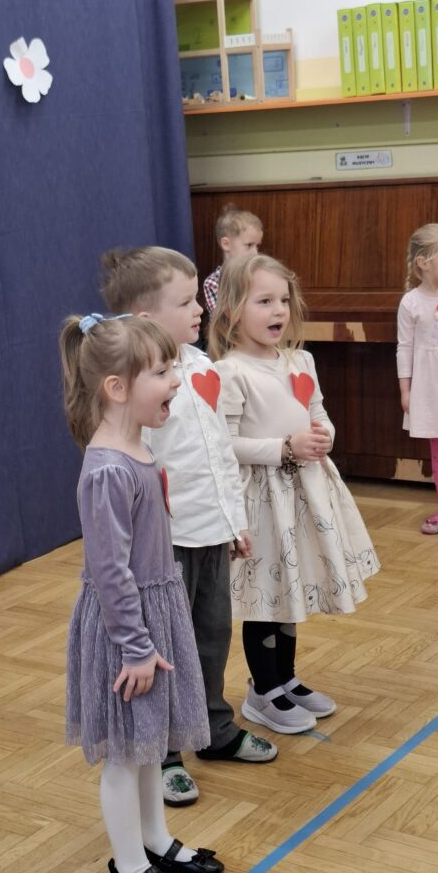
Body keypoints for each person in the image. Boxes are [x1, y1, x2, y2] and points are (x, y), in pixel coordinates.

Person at [101, 248, 277, 809]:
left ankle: (214, 729)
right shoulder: (137, 387)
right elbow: (135, 468)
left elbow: (219, 453)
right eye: (184, 302)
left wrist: (234, 520)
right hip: (165, 546)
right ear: (145, 319)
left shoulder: (201, 366)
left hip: (211, 534)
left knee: (211, 635)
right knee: (168, 645)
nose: (199, 309)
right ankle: (166, 751)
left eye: (197, 297)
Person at [60, 312, 224, 873]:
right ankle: (129, 864)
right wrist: (136, 646)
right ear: (117, 388)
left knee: (149, 743)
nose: (176, 381)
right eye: (161, 371)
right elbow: (110, 572)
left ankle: (157, 839)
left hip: (153, 613)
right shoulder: (107, 470)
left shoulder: (139, 449)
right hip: (125, 629)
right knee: (125, 756)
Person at [208, 254, 380, 734]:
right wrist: (284, 447)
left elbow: (318, 412)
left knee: (289, 587)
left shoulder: (300, 360)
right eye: (264, 301)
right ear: (232, 310)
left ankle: (285, 679)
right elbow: (225, 444)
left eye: (283, 300)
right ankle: (263, 690)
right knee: (265, 596)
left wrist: (325, 435)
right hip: (262, 500)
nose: (278, 310)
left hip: (304, 495)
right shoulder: (229, 372)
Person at [397, 223, 438, 534]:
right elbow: (404, 348)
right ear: (423, 263)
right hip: (430, 390)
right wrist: (406, 390)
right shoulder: (410, 302)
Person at [203, 205, 263, 315]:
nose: (255, 253)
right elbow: (223, 319)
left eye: (257, 246)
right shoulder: (213, 283)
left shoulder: (260, 276)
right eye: (249, 245)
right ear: (226, 244)